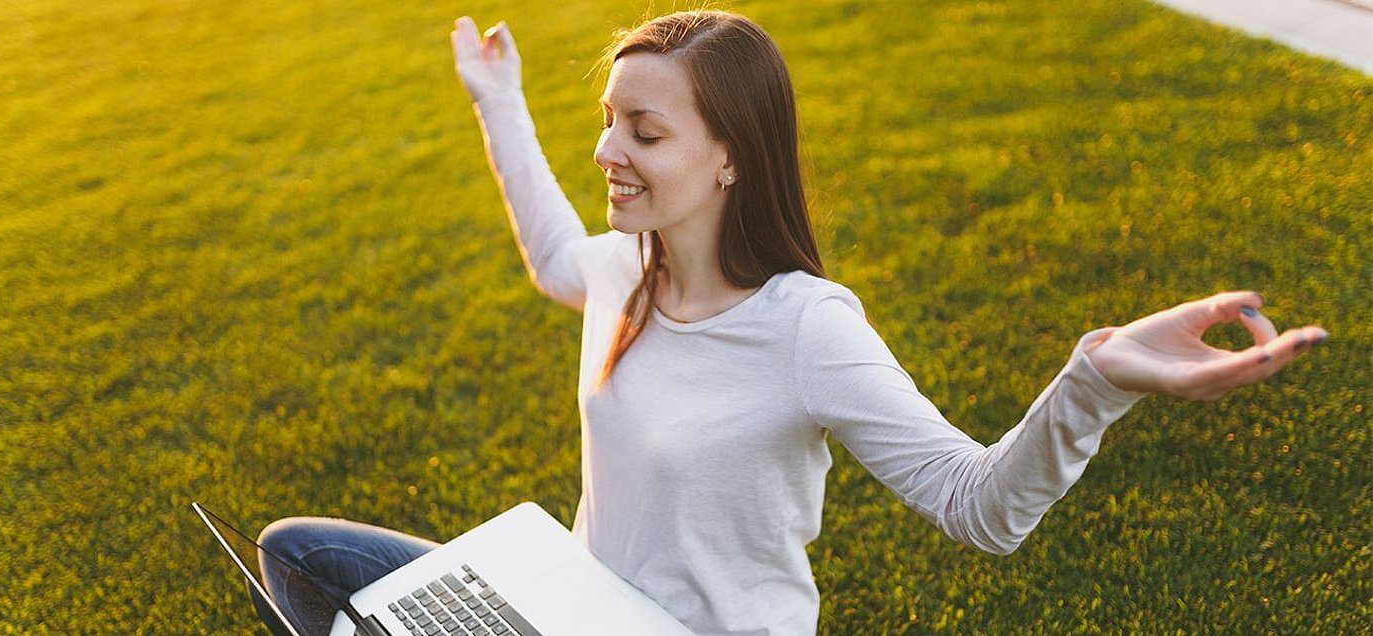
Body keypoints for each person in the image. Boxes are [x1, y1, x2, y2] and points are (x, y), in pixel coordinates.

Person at [251, 9, 1327, 636]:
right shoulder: (632, 269)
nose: (606, 153)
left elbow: (977, 507)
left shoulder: (806, 329)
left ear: (727, 157)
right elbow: (546, 258)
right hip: (569, 610)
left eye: (643, 130)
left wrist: (1094, 378)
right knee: (302, 557)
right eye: (605, 123)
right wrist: (497, 100)